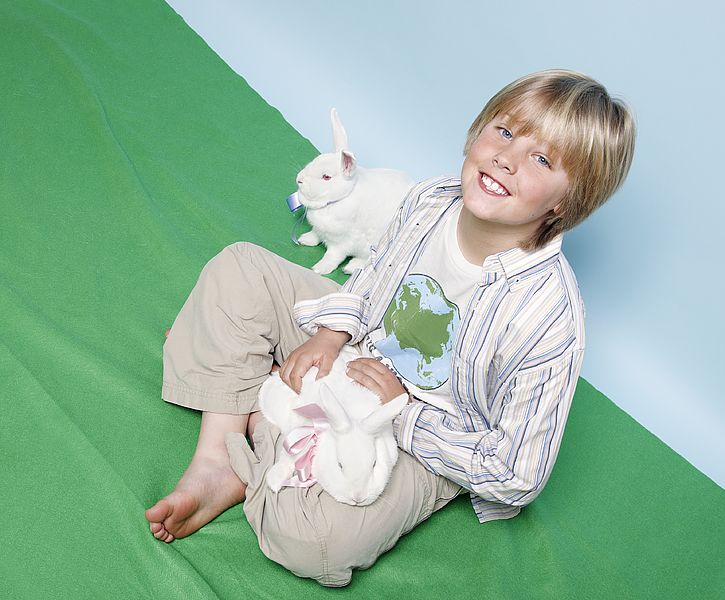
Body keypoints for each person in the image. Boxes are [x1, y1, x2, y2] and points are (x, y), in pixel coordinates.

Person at [144, 69, 636, 586]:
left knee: (315, 542)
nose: (506, 159)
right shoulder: (429, 201)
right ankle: (219, 455)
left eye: (541, 160)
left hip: (427, 429)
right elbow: (371, 280)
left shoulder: (548, 318)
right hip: (360, 346)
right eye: (506, 132)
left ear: (565, 202)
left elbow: (516, 474)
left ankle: (257, 398)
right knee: (239, 267)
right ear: (477, 132)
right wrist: (332, 334)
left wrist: (398, 417)